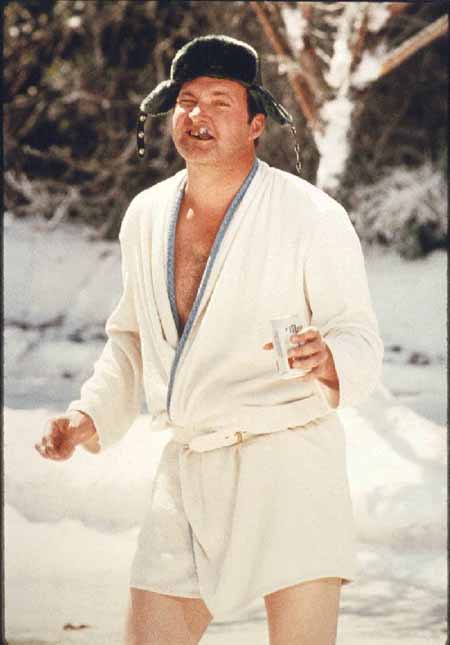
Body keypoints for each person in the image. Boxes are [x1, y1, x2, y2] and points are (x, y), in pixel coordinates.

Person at [35, 35, 384, 645]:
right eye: (187, 101)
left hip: (290, 464)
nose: (198, 115)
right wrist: (89, 415)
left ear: (255, 124)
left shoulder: (313, 217)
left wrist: (329, 358)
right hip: (191, 466)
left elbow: (360, 338)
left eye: (220, 102)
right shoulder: (146, 214)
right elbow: (131, 339)